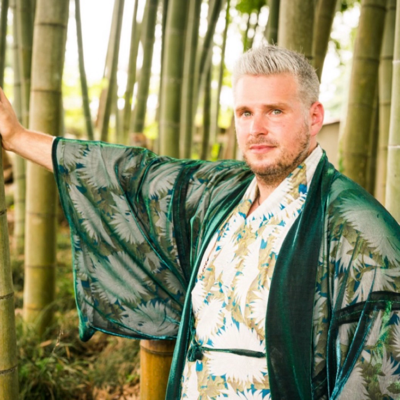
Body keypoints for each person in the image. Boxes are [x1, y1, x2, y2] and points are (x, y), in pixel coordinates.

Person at [1, 45, 400, 400]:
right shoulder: (221, 192)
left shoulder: (358, 230)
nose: (256, 129)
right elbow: (133, 175)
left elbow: (378, 377)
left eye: (275, 111)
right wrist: (17, 137)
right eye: (245, 113)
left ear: (314, 118)